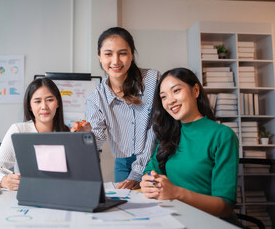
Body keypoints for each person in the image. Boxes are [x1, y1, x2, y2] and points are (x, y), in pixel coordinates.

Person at [140, 67, 239, 219]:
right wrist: (148, 181)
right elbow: (150, 171)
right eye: (163, 97)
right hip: (175, 216)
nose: (170, 101)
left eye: (176, 91)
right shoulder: (168, 135)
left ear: (195, 91)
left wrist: (177, 193)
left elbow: (225, 206)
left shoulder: (222, 135)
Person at [74, 27, 160, 189]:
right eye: (108, 54)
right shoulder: (95, 99)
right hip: (123, 164)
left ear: (131, 55)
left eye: (122, 53)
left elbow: (155, 130)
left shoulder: (152, 81)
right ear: (99, 56)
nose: (115, 61)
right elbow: (97, 139)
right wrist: (84, 135)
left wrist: (137, 173)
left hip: (155, 159)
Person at [0, 78, 69, 190]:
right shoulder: (19, 130)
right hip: (27, 196)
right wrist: (4, 181)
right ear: (30, 106)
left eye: (49, 100)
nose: (44, 106)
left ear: (57, 102)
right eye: (37, 101)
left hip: (60, 194)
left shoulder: (67, 133)